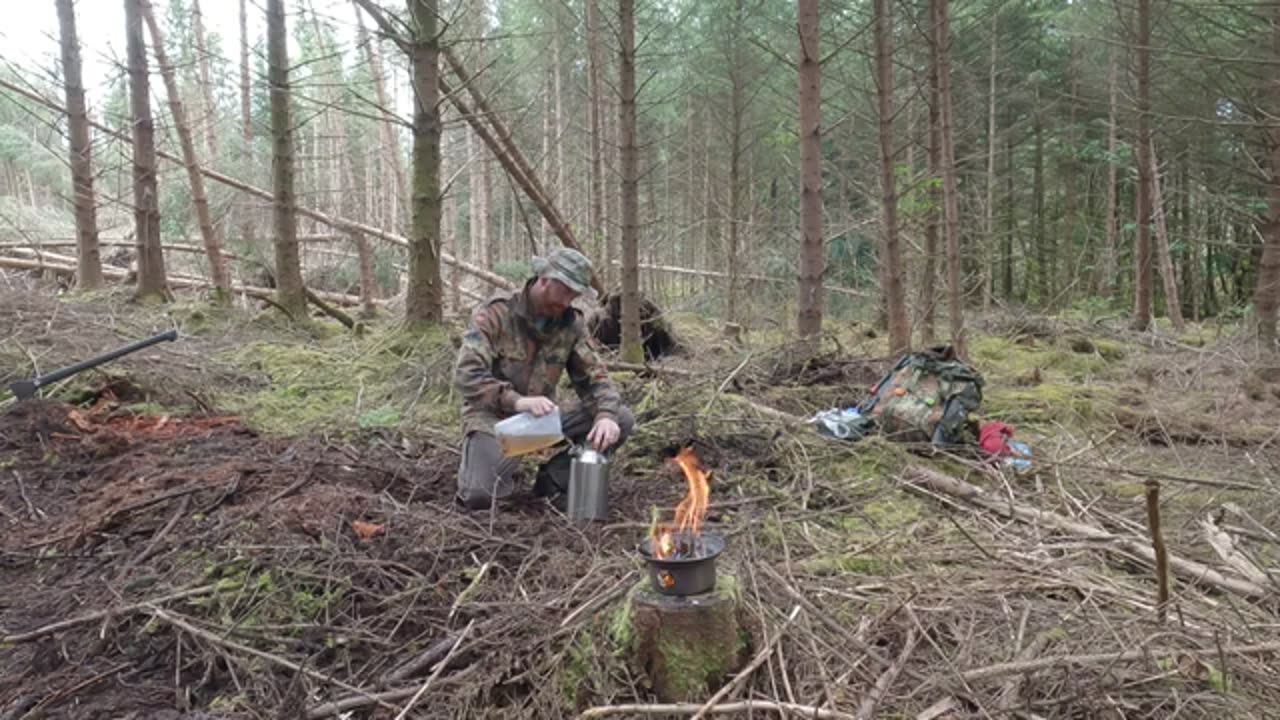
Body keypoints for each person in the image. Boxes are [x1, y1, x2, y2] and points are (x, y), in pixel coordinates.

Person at [453, 248, 635, 510]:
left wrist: (605, 414)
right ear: (544, 279)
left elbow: (595, 377)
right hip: (492, 420)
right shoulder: (496, 314)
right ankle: (491, 466)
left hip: (541, 421)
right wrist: (516, 401)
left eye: (574, 294)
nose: (566, 301)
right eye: (564, 291)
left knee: (620, 417)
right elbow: (467, 374)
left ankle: (553, 479)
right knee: (479, 497)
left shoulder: (571, 324)